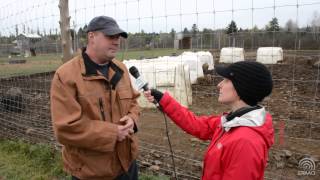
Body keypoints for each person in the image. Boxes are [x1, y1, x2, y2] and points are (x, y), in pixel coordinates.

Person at [144, 61, 274, 180]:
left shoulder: (246, 143)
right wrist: (163, 99)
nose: (219, 85)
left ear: (242, 88)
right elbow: (197, 125)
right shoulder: (234, 121)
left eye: (227, 80)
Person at [50, 16, 140, 180]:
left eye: (118, 37)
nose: (116, 41)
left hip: (127, 164)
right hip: (91, 172)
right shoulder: (65, 76)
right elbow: (65, 128)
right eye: (110, 36)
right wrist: (112, 133)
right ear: (91, 36)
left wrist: (132, 118)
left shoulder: (121, 69)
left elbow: (134, 101)